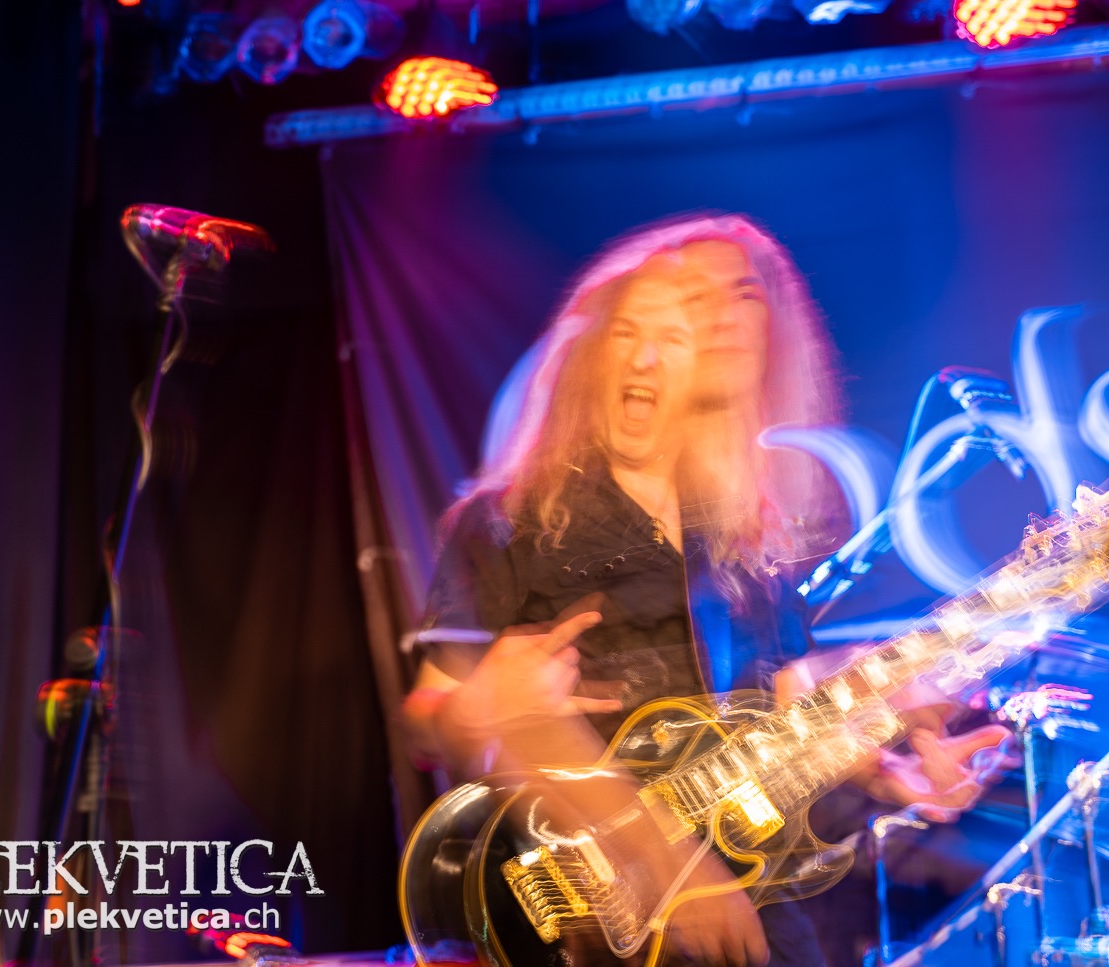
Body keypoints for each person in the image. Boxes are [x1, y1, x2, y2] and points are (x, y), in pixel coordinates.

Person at [401, 214, 1008, 966]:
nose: (655, 353)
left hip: (744, 892)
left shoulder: (739, 538)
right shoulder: (510, 520)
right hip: (578, 911)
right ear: (589, 354)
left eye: (689, 327)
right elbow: (429, 718)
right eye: (630, 331)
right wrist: (479, 706)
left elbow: (779, 709)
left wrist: (889, 770)